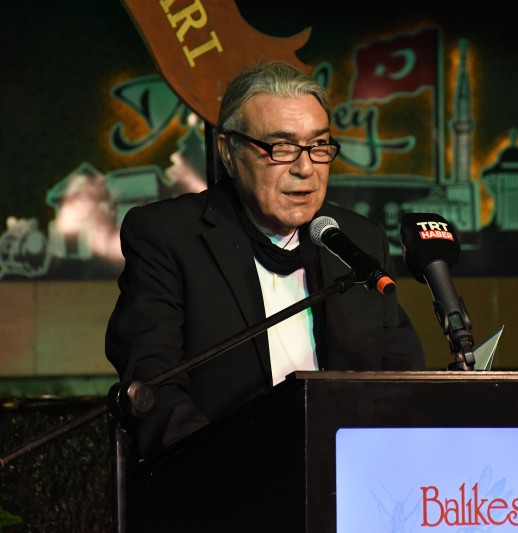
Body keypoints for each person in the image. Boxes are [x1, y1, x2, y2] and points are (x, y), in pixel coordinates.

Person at [105, 60, 426, 459]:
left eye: (318, 146)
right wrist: (228, 474)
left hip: (350, 472)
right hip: (225, 474)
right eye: (282, 148)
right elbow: (154, 386)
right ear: (229, 151)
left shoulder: (358, 242)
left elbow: (400, 372)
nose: (305, 168)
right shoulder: (169, 236)